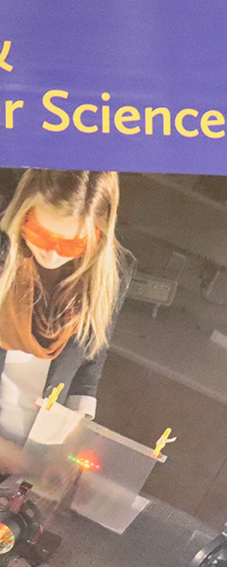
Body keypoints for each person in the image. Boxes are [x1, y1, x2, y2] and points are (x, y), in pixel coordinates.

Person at [0, 169, 128, 445]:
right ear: (23, 211)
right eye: (40, 235)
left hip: (34, 444)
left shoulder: (111, 274)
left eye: (71, 245)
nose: (51, 253)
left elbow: (93, 351)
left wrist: (73, 427)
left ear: (98, 234)